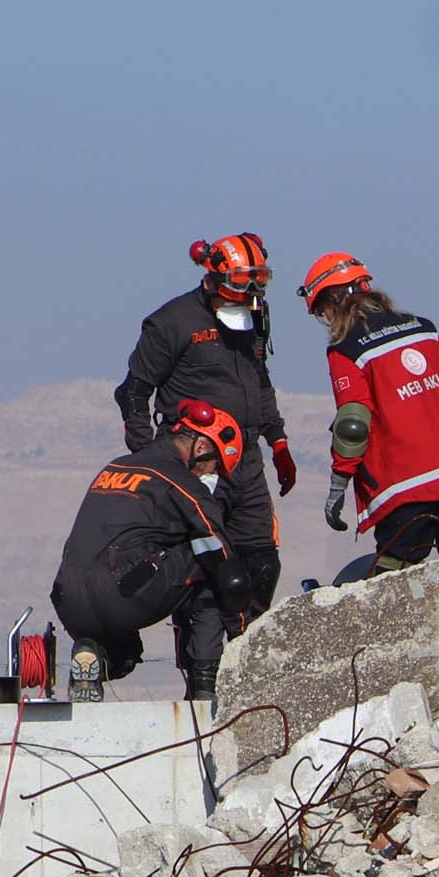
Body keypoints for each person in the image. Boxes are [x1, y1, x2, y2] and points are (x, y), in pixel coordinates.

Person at [115, 233, 293, 624]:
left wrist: (278, 441)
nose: (250, 291)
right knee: (200, 569)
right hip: (194, 465)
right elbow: (133, 393)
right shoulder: (171, 322)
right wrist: (151, 460)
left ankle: (246, 646)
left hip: (246, 460)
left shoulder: (254, 314)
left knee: (262, 562)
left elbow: (259, 381)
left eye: (259, 280)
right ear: (215, 276)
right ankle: (203, 661)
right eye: (241, 281)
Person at [298, 251, 439, 569]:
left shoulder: (346, 349)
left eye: (322, 311)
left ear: (333, 300)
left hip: (409, 484)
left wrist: (338, 484)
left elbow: (353, 424)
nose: (326, 320)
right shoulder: (424, 328)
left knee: (395, 578)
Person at [50, 400, 257, 700]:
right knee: (207, 557)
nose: (210, 475)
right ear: (201, 448)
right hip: (120, 596)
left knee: (127, 652)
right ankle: (205, 682)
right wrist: (242, 633)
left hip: (68, 600)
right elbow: (225, 564)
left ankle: (94, 653)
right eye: (214, 466)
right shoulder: (181, 481)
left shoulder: (116, 466)